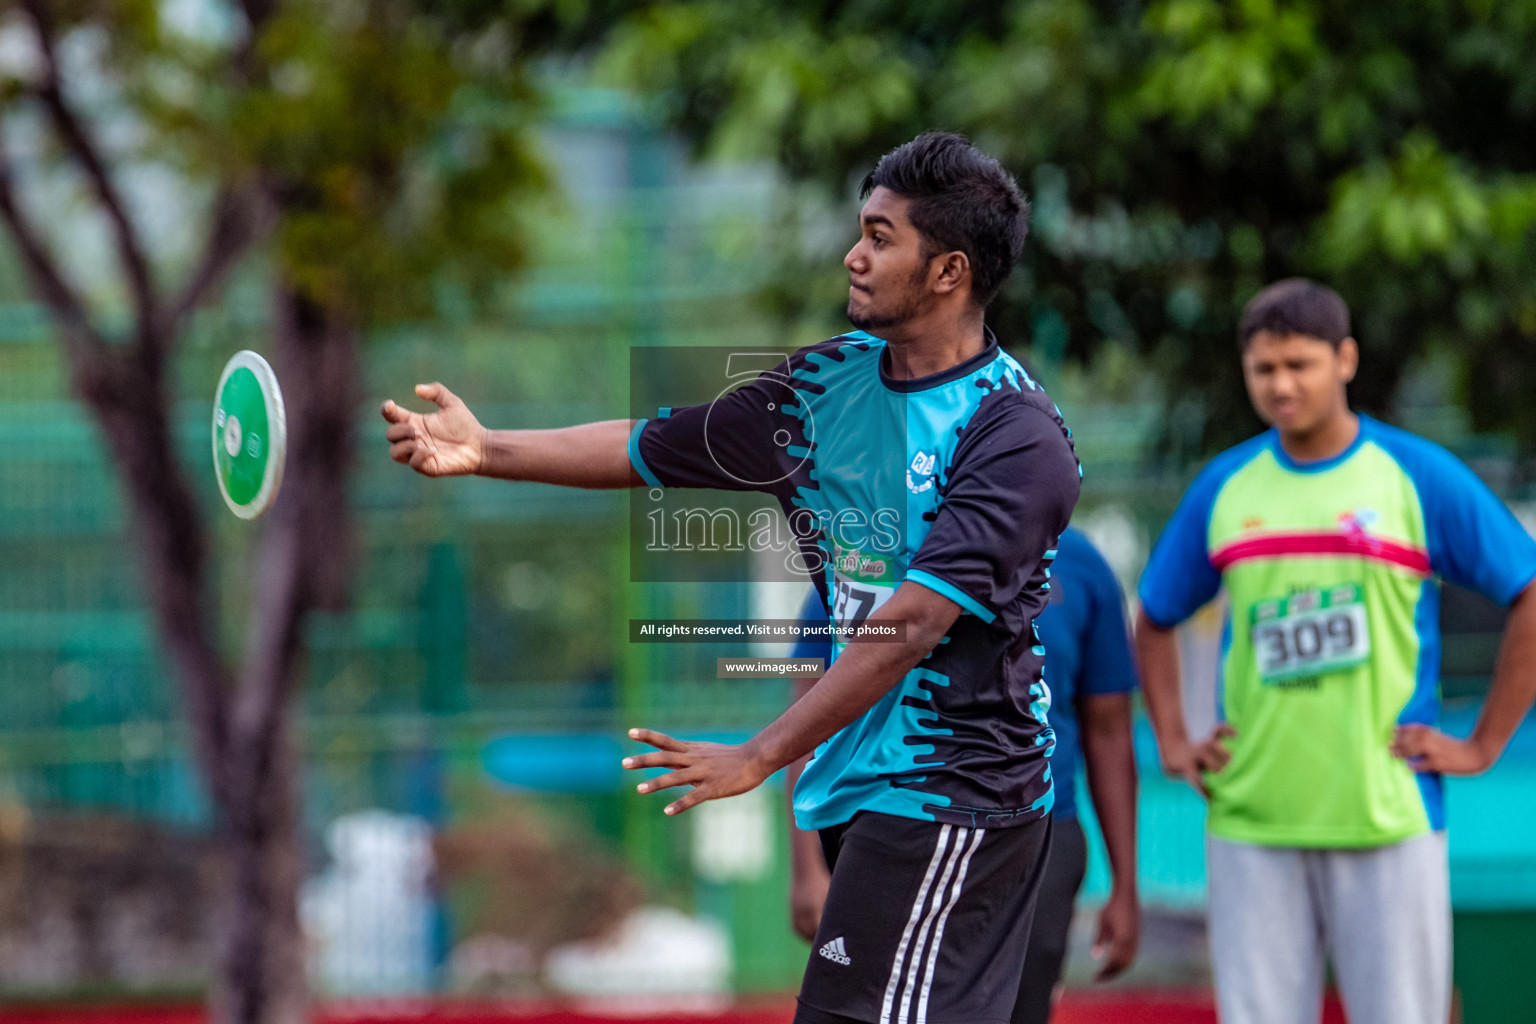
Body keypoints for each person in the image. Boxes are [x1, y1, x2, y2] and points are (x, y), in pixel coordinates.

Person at [382, 131, 1082, 1024]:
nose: (853, 255)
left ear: (948, 272)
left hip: (956, 792)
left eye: (878, 236)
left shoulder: (1015, 435)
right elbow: (652, 443)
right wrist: (487, 450)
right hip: (864, 781)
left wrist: (759, 753)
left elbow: (910, 627)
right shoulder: (824, 386)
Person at [1134, 278, 1536, 1024]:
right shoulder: (1226, 487)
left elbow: (1527, 589)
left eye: (1300, 364)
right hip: (1253, 820)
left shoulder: (1415, 476)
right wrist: (1172, 739)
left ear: (1345, 359)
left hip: (1387, 814)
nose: (1281, 384)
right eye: (1264, 369)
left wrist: (1483, 744)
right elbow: (1154, 616)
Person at [787, 523, 1140, 1024]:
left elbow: (1109, 729)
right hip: (890, 823)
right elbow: (807, 712)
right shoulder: (866, 554)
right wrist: (808, 869)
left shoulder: (1082, 564)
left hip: (1038, 832)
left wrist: (1126, 886)